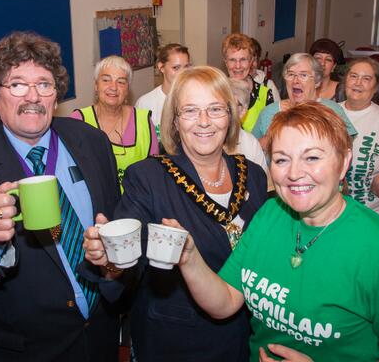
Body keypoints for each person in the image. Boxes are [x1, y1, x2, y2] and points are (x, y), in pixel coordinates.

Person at [0, 31, 123, 362]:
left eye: (44, 85)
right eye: (17, 84)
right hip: (23, 349)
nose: (33, 96)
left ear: (56, 97)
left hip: (100, 334)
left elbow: (115, 222)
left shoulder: (92, 142)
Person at [177, 102, 379, 361]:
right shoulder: (270, 213)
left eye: (312, 157)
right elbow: (225, 301)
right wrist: (189, 259)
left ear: (344, 161)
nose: (293, 173)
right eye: (281, 159)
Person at [84, 66, 269, 361]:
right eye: (191, 111)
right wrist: (111, 263)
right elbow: (127, 270)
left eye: (215, 109)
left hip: (248, 339)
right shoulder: (148, 178)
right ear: (175, 120)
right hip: (175, 343)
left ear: (232, 116)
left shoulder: (255, 176)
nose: (204, 122)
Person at [70, 55, 158, 190]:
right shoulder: (78, 120)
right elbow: (73, 176)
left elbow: (153, 174)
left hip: (136, 206)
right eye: (106, 80)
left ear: (127, 88)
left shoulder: (144, 120)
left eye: (121, 82)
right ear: (96, 85)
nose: (113, 87)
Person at [252, 53, 357, 151]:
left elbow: (346, 149)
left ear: (317, 82)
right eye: (291, 74)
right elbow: (252, 150)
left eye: (303, 75)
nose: (296, 81)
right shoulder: (269, 112)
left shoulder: (332, 110)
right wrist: (271, 139)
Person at [340, 57, 379, 222]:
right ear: (345, 81)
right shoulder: (329, 113)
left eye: (366, 79)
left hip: (374, 213)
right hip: (333, 212)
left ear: (376, 87)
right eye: (353, 76)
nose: (358, 83)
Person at [222, 33, 279, 132]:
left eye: (243, 59)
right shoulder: (217, 92)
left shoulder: (265, 94)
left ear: (251, 61)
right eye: (232, 60)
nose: (238, 66)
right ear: (225, 62)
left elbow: (271, 136)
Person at [135, 43, 191, 139]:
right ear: (161, 67)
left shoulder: (195, 99)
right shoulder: (145, 103)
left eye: (186, 67)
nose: (182, 73)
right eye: (176, 68)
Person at [229, 78, 268, 175]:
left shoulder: (251, 144)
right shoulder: (204, 137)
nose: (225, 109)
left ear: (243, 111)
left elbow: (261, 180)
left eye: (231, 105)